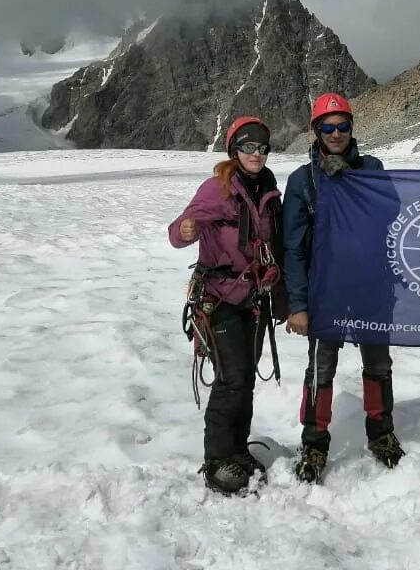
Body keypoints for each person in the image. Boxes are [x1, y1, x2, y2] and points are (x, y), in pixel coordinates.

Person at [282, 91, 399, 483]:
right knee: (321, 368)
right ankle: (314, 442)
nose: (336, 133)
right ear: (316, 131)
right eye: (327, 127)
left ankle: (381, 434)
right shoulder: (303, 181)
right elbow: (293, 249)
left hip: (370, 287)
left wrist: (352, 184)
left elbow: (391, 214)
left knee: (379, 365)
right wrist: (297, 305)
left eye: (342, 126)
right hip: (325, 291)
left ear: (351, 127)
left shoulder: (372, 168)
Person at [168, 116, 285, 495]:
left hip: (252, 298)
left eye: (262, 147)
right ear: (234, 150)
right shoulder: (217, 189)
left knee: (246, 377)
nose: (256, 153)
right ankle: (218, 460)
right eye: (248, 146)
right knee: (232, 376)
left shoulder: (267, 191)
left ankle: (236, 449)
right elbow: (178, 231)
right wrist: (187, 229)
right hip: (218, 297)